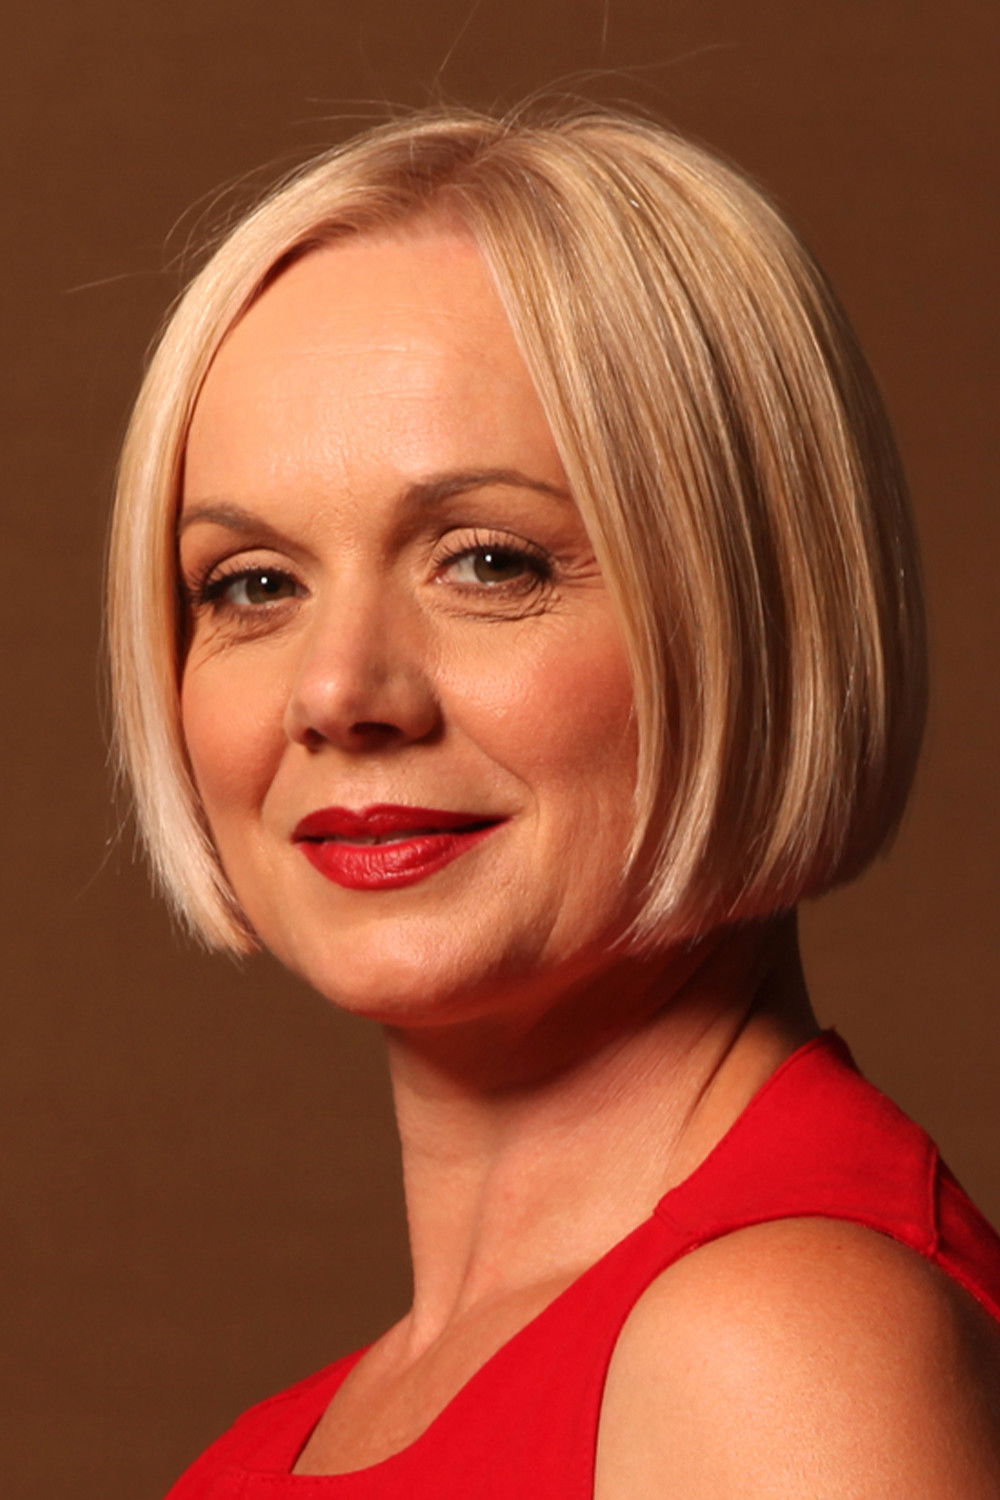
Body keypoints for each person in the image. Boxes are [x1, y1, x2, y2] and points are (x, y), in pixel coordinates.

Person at [108, 104, 1000, 1496]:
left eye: (488, 561)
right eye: (253, 584)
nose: (337, 691)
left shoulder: (777, 1353)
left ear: (750, 615)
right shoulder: (256, 1458)